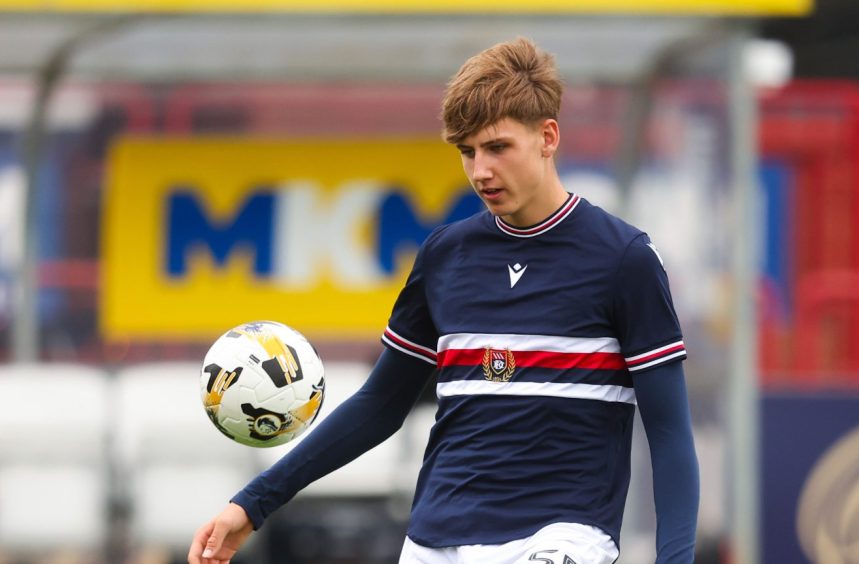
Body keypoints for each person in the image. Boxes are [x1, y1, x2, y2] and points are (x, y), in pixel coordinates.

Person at [189, 37, 699, 564]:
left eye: (498, 147)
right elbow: (380, 405)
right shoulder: (445, 256)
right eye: (467, 152)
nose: (480, 171)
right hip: (437, 539)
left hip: (561, 539)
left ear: (548, 137)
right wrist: (252, 503)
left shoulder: (624, 260)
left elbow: (669, 434)